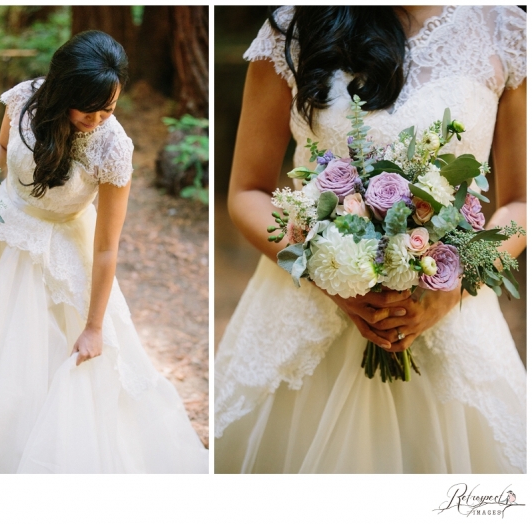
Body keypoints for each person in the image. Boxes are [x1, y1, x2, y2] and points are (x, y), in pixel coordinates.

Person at [215, 6, 526, 474]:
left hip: (452, 314)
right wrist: (329, 272)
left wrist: (451, 291)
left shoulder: (505, 28)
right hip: (308, 312)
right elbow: (247, 192)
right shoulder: (297, 26)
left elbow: (520, 204)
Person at [0, 30, 208, 473]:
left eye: (109, 108)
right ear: (60, 92)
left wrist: (94, 326)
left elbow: (107, 246)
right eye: (88, 109)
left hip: (59, 254)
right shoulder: (23, 100)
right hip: (0, 236)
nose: (98, 118)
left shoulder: (114, 147)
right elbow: (0, 149)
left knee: (44, 364)